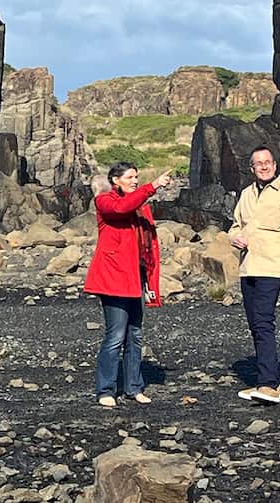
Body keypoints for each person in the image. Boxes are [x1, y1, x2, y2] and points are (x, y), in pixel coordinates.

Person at [82, 161, 172, 407]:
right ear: (115, 181)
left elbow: (148, 241)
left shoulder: (141, 207)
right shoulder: (105, 201)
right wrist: (152, 186)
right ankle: (106, 390)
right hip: (113, 279)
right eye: (130, 177)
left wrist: (151, 276)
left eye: (136, 177)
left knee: (135, 334)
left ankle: (134, 387)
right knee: (115, 335)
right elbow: (122, 209)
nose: (135, 181)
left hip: (135, 278)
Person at [229, 145, 280, 404]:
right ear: (251, 168)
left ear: (275, 165)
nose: (264, 167)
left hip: (273, 268)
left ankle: (270, 385)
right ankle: (267, 380)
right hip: (248, 268)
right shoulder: (246, 194)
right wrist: (235, 238)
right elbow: (235, 225)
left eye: (268, 162)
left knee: (264, 323)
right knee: (255, 325)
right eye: (258, 163)